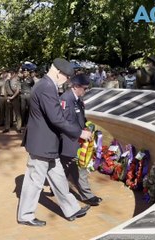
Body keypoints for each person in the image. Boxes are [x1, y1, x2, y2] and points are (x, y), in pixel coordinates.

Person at [17, 58, 92, 227]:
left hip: (48, 144)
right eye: (67, 76)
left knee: (58, 178)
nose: (67, 81)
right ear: (58, 72)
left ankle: (71, 209)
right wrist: (79, 132)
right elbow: (56, 118)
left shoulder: (47, 85)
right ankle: (26, 215)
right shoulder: (46, 87)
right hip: (42, 143)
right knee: (34, 181)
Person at [59, 74, 103, 206]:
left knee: (66, 168)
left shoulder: (77, 99)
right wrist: (80, 133)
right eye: (84, 88)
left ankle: (57, 187)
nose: (86, 91)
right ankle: (87, 195)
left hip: (78, 138)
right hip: (70, 140)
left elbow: (80, 118)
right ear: (76, 86)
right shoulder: (66, 100)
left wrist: (87, 127)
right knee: (79, 168)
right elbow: (64, 123)